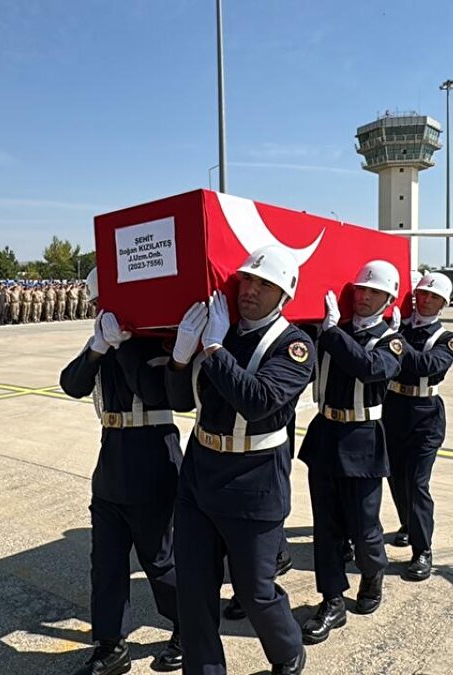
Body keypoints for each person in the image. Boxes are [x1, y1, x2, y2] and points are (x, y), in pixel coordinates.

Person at [166, 245, 313, 675]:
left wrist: (213, 348)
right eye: (247, 279)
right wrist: (179, 359)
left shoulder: (293, 344)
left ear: (284, 293)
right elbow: (181, 402)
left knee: (255, 592)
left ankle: (288, 651)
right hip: (200, 472)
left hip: (253, 480)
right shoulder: (221, 329)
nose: (250, 289)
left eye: (264, 284)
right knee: (193, 589)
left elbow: (260, 401)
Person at [60, 269, 183, 675]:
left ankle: (187, 627)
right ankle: (110, 645)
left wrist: (125, 344)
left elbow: (153, 391)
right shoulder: (104, 337)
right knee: (107, 562)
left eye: (103, 303)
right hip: (112, 460)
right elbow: (72, 385)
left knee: (159, 558)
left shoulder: (156, 337)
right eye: (96, 304)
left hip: (152, 455)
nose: (98, 310)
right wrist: (97, 348)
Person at [299, 260, 403, 645]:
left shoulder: (391, 340)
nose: (363, 296)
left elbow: (370, 368)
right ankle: (331, 601)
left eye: (373, 291)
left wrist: (330, 332)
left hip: (362, 436)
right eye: (360, 289)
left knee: (363, 526)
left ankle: (373, 571)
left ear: (389, 298)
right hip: (326, 432)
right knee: (325, 528)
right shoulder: (332, 330)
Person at [383, 273, 453, 582]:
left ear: (443, 303)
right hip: (393, 409)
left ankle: (422, 550)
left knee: (417, 483)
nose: (426, 300)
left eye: (434, 297)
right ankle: (408, 525)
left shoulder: (446, 339)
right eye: (422, 294)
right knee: (395, 477)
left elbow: (426, 366)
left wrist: (394, 341)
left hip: (425, 415)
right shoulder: (398, 327)